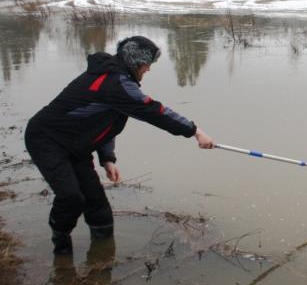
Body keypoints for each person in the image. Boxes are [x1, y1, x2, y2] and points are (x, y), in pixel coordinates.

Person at [25, 35, 214, 255]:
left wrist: (107, 158)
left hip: (76, 145)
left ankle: (103, 255)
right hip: (47, 140)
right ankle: (61, 245)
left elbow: (105, 122)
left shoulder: (119, 80)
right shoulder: (114, 82)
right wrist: (195, 131)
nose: (148, 69)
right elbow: (154, 111)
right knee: (71, 197)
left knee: (97, 204)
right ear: (134, 62)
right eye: (147, 64)